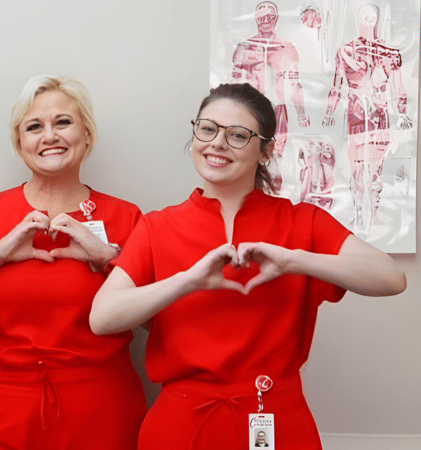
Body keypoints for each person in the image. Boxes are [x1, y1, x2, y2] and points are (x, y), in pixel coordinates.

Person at [90, 83, 406, 450]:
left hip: (277, 419)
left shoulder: (301, 222)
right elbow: (103, 318)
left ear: (265, 151)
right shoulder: (157, 227)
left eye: (238, 135)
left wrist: (293, 259)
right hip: (180, 424)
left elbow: (390, 277)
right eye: (208, 129)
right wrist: (188, 280)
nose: (218, 143)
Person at [0, 75, 146, 449]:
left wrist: (106, 259)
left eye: (63, 123)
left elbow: (160, 322)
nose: (49, 136)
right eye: (34, 127)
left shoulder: (126, 218)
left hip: (102, 419)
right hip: (1, 418)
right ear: (19, 142)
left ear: (87, 134)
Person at [322, 3, 413, 231]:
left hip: (380, 116)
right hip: (356, 115)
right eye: (365, 16)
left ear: (379, 20)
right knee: (357, 167)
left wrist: (402, 115)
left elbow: (398, 88)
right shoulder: (346, 51)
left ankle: (373, 212)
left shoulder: (389, 54)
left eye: (373, 16)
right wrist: (329, 113)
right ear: (358, 19)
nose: (369, 20)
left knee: (376, 167)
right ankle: (360, 213)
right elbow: (337, 86)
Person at [232, 1, 310, 190]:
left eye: (270, 17)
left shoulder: (286, 48)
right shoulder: (244, 47)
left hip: (277, 110)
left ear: (276, 19)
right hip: (250, 111)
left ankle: (272, 203)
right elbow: (233, 85)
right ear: (256, 20)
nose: (266, 21)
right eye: (262, 17)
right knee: (248, 158)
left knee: (274, 160)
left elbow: (294, 83)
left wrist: (301, 113)